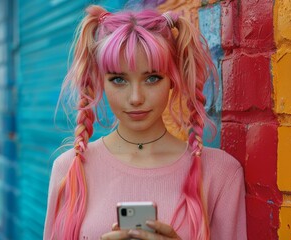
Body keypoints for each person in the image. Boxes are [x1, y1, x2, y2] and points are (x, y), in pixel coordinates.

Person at [43, 4, 247, 240]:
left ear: (173, 78)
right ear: (100, 81)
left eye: (152, 78)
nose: (136, 98)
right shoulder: (68, 169)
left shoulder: (221, 173)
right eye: (119, 79)